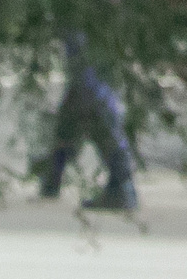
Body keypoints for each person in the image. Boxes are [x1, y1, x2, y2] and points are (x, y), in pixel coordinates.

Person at [38, 33, 139, 212]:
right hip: (90, 73)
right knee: (77, 110)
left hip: (92, 79)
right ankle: (52, 179)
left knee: (93, 107)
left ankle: (122, 186)